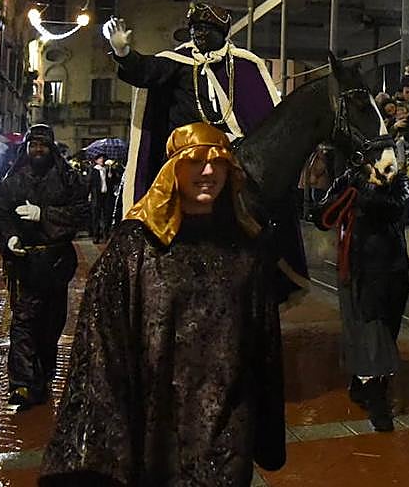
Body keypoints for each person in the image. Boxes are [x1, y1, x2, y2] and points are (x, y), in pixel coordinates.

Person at [41, 124, 284, 486]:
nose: (208, 173)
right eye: (196, 162)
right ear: (173, 170)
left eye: (218, 163)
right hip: (154, 431)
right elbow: (101, 346)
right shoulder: (135, 246)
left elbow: (265, 345)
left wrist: (266, 433)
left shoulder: (248, 247)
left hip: (228, 431)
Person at [103, 2, 280, 214]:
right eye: (195, 28)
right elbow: (145, 70)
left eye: (205, 28)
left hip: (230, 154)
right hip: (185, 154)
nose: (198, 33)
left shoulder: (244, 66)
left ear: (221, 32)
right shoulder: (177, 61)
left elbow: (268, 121)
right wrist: (122, 52)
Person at [313, 149, 409, 432]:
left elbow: (396, 207)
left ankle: (360, 381)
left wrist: (369, 189)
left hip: (392, 267)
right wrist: (347, 190)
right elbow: (321, 215)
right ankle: (377, 398)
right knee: (371, 330)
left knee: (387, 330)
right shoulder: (349, 180)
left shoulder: (398, 183)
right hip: (357, 269)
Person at [0, 124, 87, 409]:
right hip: (26, 264)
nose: (38, 150)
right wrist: (9, 238)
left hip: (56, 264)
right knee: (23, 323)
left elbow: (81, 213)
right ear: (27, 147)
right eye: (34, 145)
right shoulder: (13, 179)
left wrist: (44, 215)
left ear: (51, 147)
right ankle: (21, 385)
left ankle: (43, 376)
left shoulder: (68, 179)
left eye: (44, 145)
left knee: (51, 324)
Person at [86, 155, 114, 241]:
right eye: (100, 159)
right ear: (96, 160)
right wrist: (88, 194)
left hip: (105, 196)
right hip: (96, 195)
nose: (102, 160)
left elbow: (112, 183)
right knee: (96, 216)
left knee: (106, 215)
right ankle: (96, 235)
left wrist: (111, 176)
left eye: (103, 158)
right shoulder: (93, 170)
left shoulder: (107, 170)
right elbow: (89, 183)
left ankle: (105, 234)